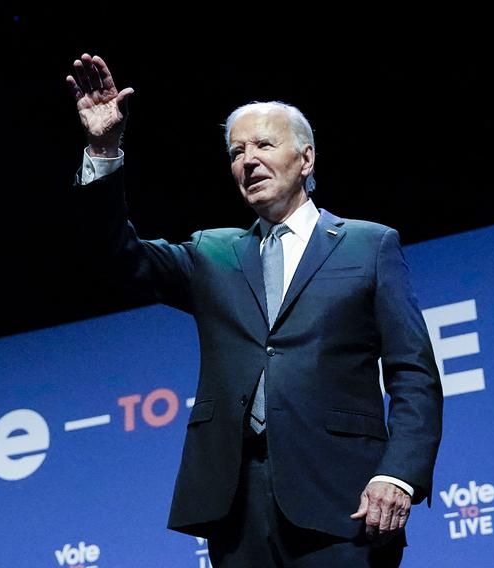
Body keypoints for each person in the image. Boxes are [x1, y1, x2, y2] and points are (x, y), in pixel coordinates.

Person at [66, 53, 443, 567]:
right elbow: (115, 256)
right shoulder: (212, 253)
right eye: (236, 151)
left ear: (306, 160)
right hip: (236, 506)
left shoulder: (368, 245)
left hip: (345, 502)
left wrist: (397, 473)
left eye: (265, 145)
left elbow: (413, 374)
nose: (248, 160)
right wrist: (104, 149)